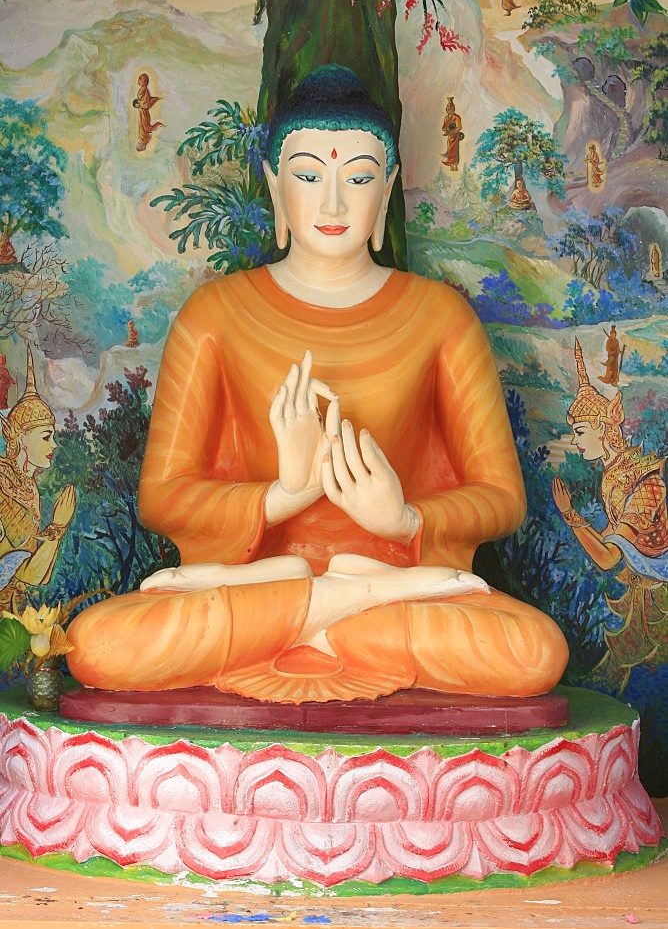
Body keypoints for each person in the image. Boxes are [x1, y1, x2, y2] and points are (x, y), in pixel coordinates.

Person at [67, 65, 567, 702]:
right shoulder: (214, 315)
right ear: (276, 186)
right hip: (266, 583)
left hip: (370, 587)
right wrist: (282, 495)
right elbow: (163, 498)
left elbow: (501, 498)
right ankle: (341, 601)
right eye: (308, 176)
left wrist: (405, 519)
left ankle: (323, 605)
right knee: (97, 644)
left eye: (357, 179)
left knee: (532, 653)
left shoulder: (441, 317)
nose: (333, 204)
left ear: (386, 189)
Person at [552, 339, 668, 691]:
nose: (575, 441)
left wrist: (571, 515)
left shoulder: (645, 485)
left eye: (580, 431)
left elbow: (607, 558)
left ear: (604, 429)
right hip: (641, 588)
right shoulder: (614, 475)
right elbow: (610, 539)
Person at [0, 347, 76, 614]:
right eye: (46, 436)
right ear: (20, 438)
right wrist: (58, 526)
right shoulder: (4, 485)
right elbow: (29, 574)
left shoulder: (28, 487)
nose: (54, 445)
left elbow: (34, 573)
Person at [133, 73, 164, 152]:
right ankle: (142, 141)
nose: (138, 81)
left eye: (140, 79)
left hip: (144, 112)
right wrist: (137, 104)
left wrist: (139, 104)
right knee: (142, 127)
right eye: (138, 79)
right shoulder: (142, 90)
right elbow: (141, 101)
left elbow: (146, 102)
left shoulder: (145, 90)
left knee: (145, 127)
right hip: (142, 112)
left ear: (145, 81)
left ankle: (144, 142)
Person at [441, 97, 464, 171]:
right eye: (447, 109)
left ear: (453, 109)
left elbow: (459, 127)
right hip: (450, 137)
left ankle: (455, 164)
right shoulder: (446, 118)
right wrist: (447, 130)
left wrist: (452, 131)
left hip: (456, 136)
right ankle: (450, 164)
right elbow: (444, 128)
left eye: (450, 109)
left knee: (455, 150)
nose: (448, 110)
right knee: (449, 150)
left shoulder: (457, 117)